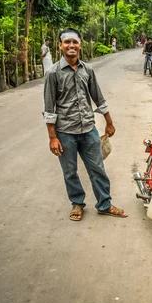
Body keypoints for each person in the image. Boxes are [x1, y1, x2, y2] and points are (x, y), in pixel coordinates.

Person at [43, 28, 127, 221]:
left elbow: (98, 97)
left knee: (97, 168)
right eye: (67, 42)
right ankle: (77, 203)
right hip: (65, 132)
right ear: (60, 46)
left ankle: (104, 204)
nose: (71, 46)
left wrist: (109, 122)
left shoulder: (87, 70)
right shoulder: (53, 73)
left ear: (80, 44)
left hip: (89, 129)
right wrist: (52, 137)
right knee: (70, 171)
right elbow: (49, 109)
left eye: (75, 42)